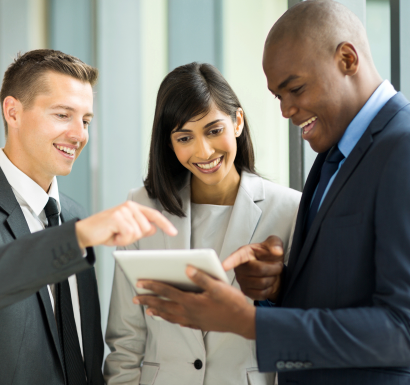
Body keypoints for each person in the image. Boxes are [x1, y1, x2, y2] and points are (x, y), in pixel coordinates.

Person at [134, 1, 410, 384]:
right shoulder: (335, 156)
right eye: (278, 96)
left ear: (347, 59)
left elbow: (402, 329)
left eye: (294, 89)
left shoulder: (402, 147)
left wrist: (249, 321)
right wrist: (278, 284)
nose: (285, 110)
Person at [104, 62, 301, 385]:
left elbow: (296, 333)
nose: (203, 151)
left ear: (237, 121)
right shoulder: (141, 207)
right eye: (185, 138)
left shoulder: (289, 210)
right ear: (169, 143)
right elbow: (125, 341)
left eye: (214, 130)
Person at [0, 49, 177, 385]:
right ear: (13, 112)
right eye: (62, 115)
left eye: (85, 121)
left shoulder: (75, 216)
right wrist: (78, 237)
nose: (79, 135)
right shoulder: (81, 230)